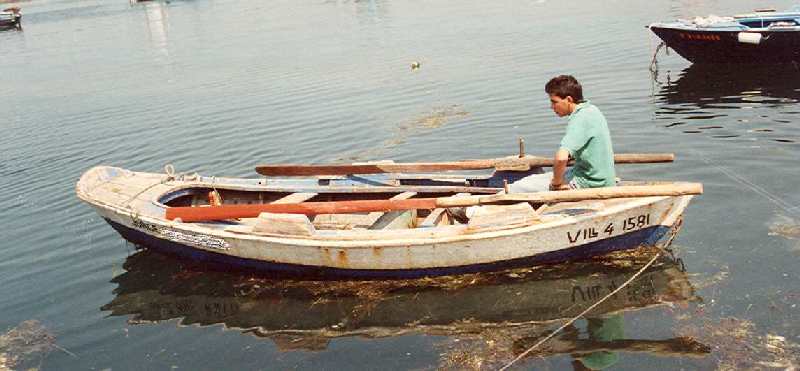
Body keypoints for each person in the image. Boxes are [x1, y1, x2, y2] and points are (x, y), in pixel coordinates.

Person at [509, 75, 616, 193]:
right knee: (533, 179)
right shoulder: (592, 110)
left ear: (569, 100)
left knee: (515, 187)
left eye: (554, 102)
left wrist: (556, 185)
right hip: (602, 178)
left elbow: (561, 158)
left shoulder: (580, 119)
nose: (551, 107)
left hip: (589, 183)